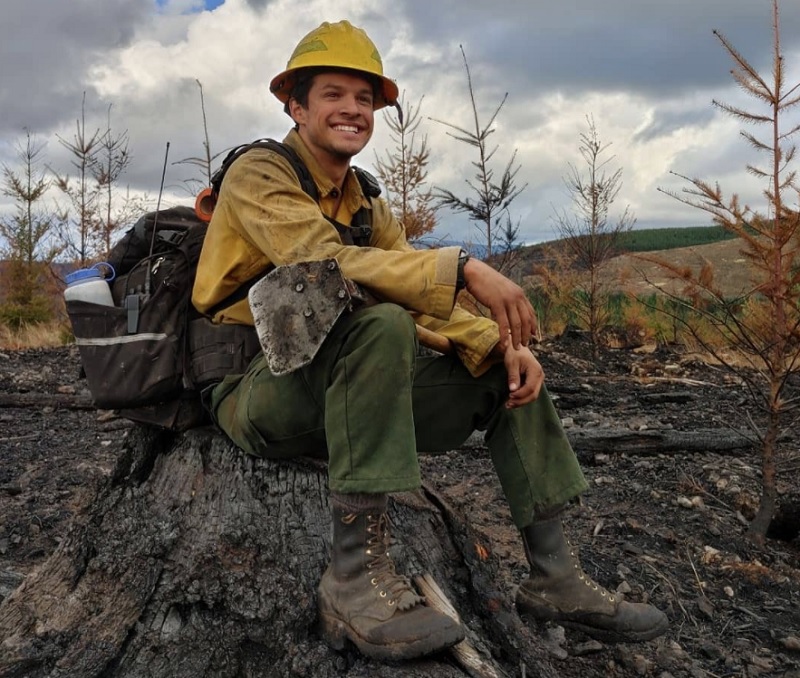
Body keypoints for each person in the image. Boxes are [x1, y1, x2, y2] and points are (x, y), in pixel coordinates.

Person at [192, 19, 668, 661]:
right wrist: (465, 266)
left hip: (338, 391)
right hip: (256, 391)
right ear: (296, 105)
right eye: (334, 94)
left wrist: (500, 344)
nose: (353, 110)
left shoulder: (366, 201)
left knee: (501, 370)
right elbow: (320, 260)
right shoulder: (259, 174)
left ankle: (557, 580)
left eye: (365, 99)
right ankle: (354, 582)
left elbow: (414, 290)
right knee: (380, 323)